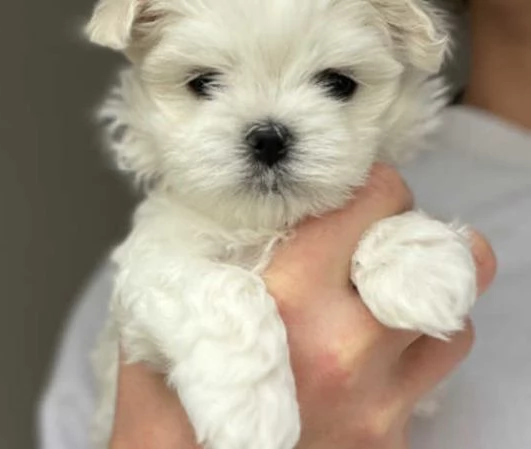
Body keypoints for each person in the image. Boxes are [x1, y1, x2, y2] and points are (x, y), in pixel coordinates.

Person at [38, 0, 531, 448]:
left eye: (336, 83)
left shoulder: (400, 229)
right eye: (205, 83)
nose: (269, 133)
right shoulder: (147, 270)